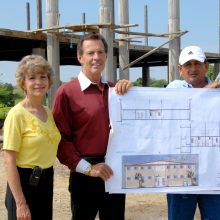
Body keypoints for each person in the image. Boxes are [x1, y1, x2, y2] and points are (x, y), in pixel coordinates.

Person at [52, 33, 132, 220]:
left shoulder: (116, 91)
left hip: (114, 171)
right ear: (80, 57)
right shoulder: (66, 92)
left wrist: (132, 93)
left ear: (106, 56)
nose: (96, 57)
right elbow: (60, 139)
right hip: (84, 173)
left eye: (100, 52)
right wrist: (88, 168)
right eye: (90, 53)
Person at [3, 55, 61, 220]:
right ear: (23, 84)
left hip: (45, 180)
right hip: (24, 182)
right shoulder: (17, 114)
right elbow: (8, 160)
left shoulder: (48, 112)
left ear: (49, 81)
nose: (39, 82)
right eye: (32, 78)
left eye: (43, 77)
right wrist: (21, 203)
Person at [166, 45, 220, 220]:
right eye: (188, 64)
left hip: (214, 172)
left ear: (206, 66)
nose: (193, 68)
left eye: (197, 63)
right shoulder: (172, 90)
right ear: (180, 69)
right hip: (181, 171)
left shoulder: (218, 92)